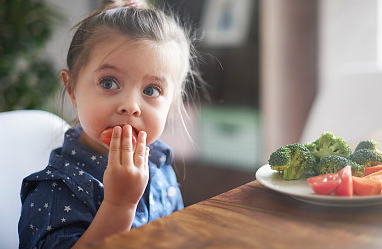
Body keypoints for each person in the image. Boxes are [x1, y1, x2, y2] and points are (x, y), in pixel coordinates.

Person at [18, 0, 203, 248]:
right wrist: (119, 205)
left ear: (172, 102)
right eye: (108, 83)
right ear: (72, 89)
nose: (131, 105)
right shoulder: (54, 191)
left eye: (151, 89)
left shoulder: (159, 164)